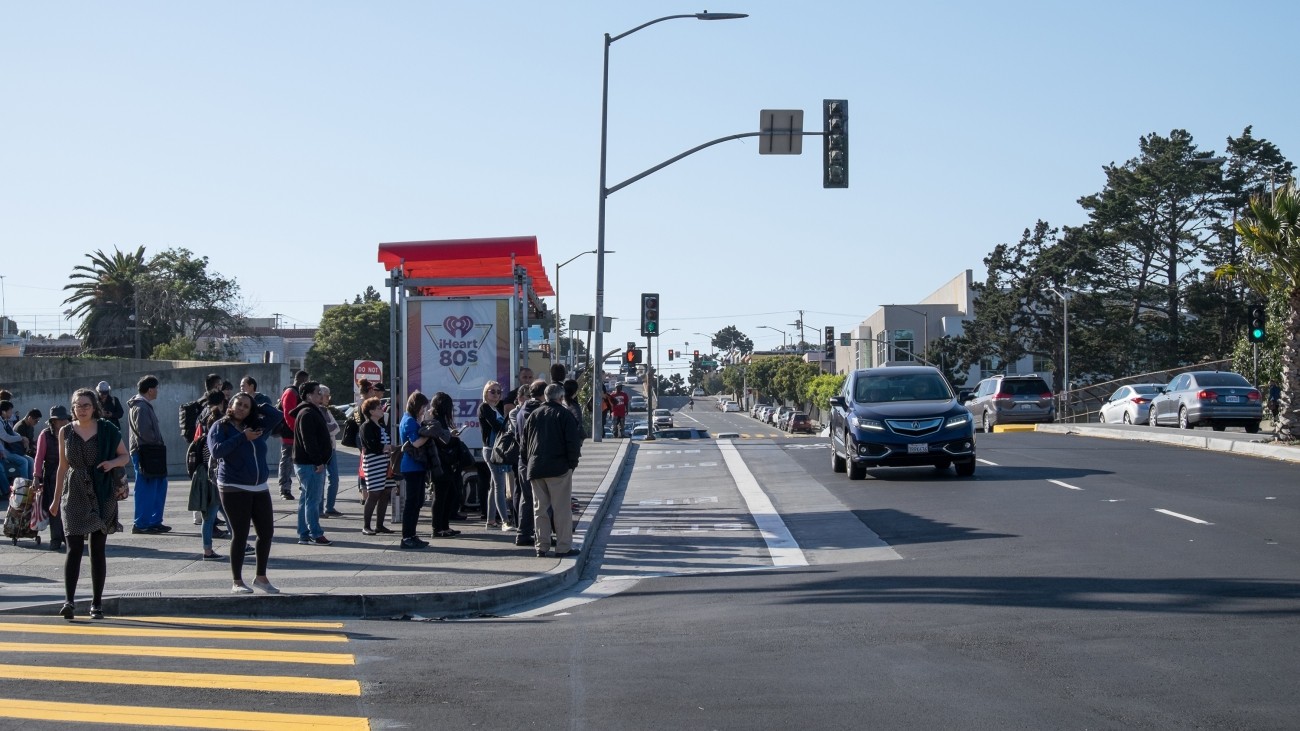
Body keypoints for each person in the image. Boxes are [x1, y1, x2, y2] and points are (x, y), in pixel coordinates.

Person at [49, 388, 131, 620]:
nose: (81, 409)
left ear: (94, 406)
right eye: (77, 405)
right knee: (73, 548)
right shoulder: (65, 432)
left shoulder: (107, 429)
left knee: (97, 550)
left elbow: (125, 456)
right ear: (72, 408)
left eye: (86, 405)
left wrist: (111, 462)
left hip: (102, 491)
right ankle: (69, 602)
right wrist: (55, 499)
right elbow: (62, 467)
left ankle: (96, 604)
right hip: (73, 492)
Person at [209, 392, 284, 594]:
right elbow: (216, 451)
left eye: (246, 406)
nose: (242, 408)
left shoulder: (256, 426)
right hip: (233, 486)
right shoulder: (220, 426)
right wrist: (242, 437)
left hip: (259, 486)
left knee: (266, 532)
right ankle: (237, 581)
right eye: (239, 404)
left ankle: (261, 577)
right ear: (230, 405)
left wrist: (258, 403)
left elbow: (277, 417)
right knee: (240, 534)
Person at [521, 383, 583, 558]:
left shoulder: (533, 415)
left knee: (539, 509)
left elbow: (524, 444)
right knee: (561, 509)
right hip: (559, 468)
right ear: (561, 397)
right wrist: (572, 465)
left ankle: (541, 546)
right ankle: (563, 546)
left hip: (536, 467)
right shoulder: (564, 415)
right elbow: (573, 443)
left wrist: (528, 462)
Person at [291, 381, 334, 546]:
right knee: (312, 500)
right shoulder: (307, 413)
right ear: (308, 395)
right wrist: (318, 462)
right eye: (317, 392)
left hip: (307, 463)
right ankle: (316, 533)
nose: (321, 395)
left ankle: (304, 533)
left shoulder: (308, 412)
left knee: (306, 499)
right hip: (310, 464)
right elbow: (309, 442)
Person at [187, 390, 228, 560]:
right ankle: (208, 551)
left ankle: (208, 549)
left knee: (215, 514)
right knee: (213, 515)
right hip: (212, 478)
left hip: (205, 475)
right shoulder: (213, 440)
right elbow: (215, 458)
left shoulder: (203, 426)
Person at [128, 375, 170, 535]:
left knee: (159, 485)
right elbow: (144, 432)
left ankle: (154, 521)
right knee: (146, 487)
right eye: (156, 388)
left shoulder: (143, 405)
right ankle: (141, 523)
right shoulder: (140, 407)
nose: (157, 391)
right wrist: (157, 443)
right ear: (150, 389)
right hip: (146, 452)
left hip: (151, 452)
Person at [508, 382, 546, 547]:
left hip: (523, 459)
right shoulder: (540, 411)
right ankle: (541, 534)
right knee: (541, 499)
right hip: (537, 458)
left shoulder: (521, 411)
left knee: (526, 497)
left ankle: (523, 533)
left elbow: (517, 435)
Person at [398, 391, 438, 549]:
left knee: (417, 502)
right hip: (411, 466)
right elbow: (416, 443)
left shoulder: (411, 419)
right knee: (412, 502)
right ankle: (407, 536)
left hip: (417, 466)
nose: (423, 410)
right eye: (422, 407)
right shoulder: (409, 421)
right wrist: (429, 434)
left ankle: (412, 534)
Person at [32, 404, 71, 552]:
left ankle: (67, 537)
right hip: (51, 475)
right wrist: (36, 476)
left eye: (64, 419)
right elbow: (39, 457)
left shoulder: (70, 432)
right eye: (60, 420)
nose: (63, 422)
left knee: (68, 508)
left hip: (69, 474)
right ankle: (55, 539)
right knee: (54, 509)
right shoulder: (45, 435)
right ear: (53, 421)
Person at [478, 380, 514, 530]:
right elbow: (497, 426)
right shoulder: (484, 407)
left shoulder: (495, 408)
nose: (496, 395)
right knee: (500, 485)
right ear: (485, 393)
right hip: (491, 449)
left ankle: (491, 520)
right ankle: (505, 520)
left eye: (499, 392)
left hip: (497, 449)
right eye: (492, 391)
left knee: (494, 486)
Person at [426, 392, 461, 539]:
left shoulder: (438, 420)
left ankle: (444, 526)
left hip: (444, 462)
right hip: (439, 463)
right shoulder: (435, 420)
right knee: (440, 496)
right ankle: (437, 528)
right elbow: (442, 441)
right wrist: (453, 439)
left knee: (449, 494)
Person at [358, 396, 395, 535]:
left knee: (385, 492)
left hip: (384, 462)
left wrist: (388, 449)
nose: (382, 409)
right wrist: (387, 447)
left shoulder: (381, 425)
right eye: (379, 407)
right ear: (371, 411)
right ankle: (366, 526)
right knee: (374, 493)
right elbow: (371, 445)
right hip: (374, 462)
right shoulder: (366, 426)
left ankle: (380, 525)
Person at [278, 369, 310, 500]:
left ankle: (300, 486)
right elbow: (288, 414)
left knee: (296, 461)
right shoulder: (291, 392)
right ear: (302, 380)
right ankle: (285, 488)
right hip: (290, 434)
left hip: (296, 433)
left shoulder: (297, 393)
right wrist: (296, 430)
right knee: (287, 461)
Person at [317, 385, 344, 518]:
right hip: (321, 450)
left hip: (331, 448)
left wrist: (327, 428)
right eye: (327, 396)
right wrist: (328, 428)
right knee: (320, 480)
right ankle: (320, 508)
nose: (328, 398)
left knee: (334, 478)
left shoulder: (326, 411)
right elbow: (326, 428)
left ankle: (330, 507)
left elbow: (336, 428)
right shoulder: (315, 411)